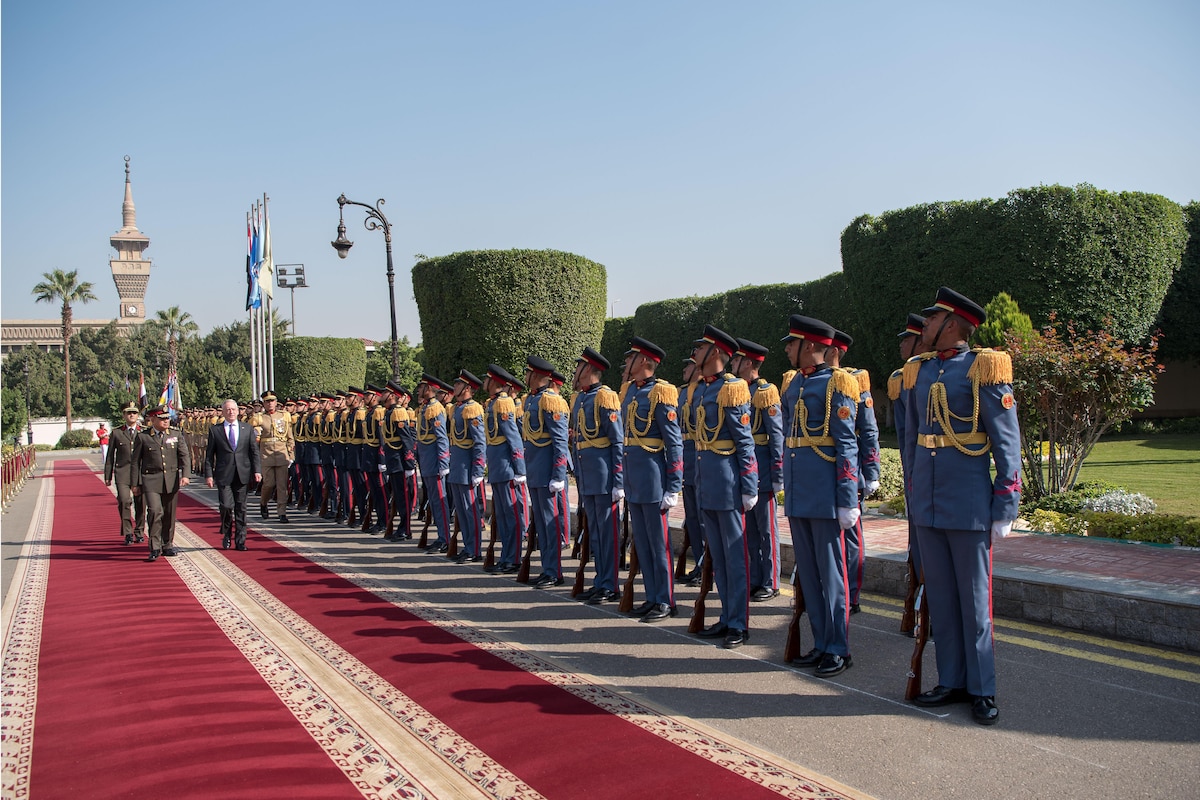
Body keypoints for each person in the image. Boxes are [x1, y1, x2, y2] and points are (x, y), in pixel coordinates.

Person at [903, 287, 1021, 726]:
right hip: (930, 505)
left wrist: (1006, 504)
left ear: (951, 324)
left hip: (970, 504)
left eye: (931, 320)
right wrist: (914, 498)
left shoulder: (983, 369)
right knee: (942, 598)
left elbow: (1007, 442)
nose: (924, 327)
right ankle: (951, 679)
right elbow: (915, 439)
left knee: (974, 601)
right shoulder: (920, 371)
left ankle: (982, 688)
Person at [780, 315, 860, 677]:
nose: (787, 349)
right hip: (800, 495)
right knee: (809, 576)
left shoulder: (837, 384)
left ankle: (838, 647)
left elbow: (846, 444)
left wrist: (847, 498)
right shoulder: (794, 385)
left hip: (827, 496)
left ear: (809, 346)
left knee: (832, 575)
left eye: (792, 343)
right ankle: (820, 642)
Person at [691, 325, 758, 648]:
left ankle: (739, 623)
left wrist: (749, 485)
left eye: (701, 348)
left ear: (715, 352)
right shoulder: (704, 389)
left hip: (730, 485)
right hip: (709, 483)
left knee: (734, 558)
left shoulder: (732, 389)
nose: (695, 354)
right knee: (718, 556)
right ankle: (726, 616)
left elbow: (745, 443)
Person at [620, 337, 683, 622]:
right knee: (642, 544)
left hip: (654, 480)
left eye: (631, 357)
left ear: (645, 361)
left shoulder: (661, 393)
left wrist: (673, 485)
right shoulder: (631, 393)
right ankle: (651, 595)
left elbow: (674, 443)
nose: (627, 362)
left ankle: (666, 599)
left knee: (659, 545)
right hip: (634, 480)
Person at [827, 330, 881, 614]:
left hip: (849, 469)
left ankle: (852, 592)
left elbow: (868, 430)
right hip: (823, 470)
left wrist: (871, 471)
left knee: (850, 535)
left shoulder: (854, 379)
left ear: (834, 350)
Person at [570, 347, 624, 603]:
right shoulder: (581, 398)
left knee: (607, 533)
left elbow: (617, 442)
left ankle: (610, 583)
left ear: (589, 369)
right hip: (588, 477)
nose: (575, 371)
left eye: (579, 366)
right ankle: (600, 579)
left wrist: (618, 481)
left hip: (604, 478)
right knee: (595, 532)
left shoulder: (605, 397)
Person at [734, 338, 785, 603]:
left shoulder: (766, 392)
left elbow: (776, 436)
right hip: (745, 470)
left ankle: (771, 580)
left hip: (763, 468)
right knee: (750, 531)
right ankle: (756, 577)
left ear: (750, 363)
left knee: (766, 530)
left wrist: (777, 474)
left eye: (737, 360)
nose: (733, 364)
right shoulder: (738, 390)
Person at [889, 313, 926, 633]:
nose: (901, 343)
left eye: (907, 338)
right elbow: (905, 437)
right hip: (916, 471)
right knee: (918, 545)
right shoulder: (901, 378)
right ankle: (916, 605)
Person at [521, 356, 570, 587]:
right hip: (534, 471)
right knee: (541, 524)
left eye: (528, 373)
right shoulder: (531, 401)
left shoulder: (551, 401)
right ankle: (547, 568)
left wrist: (559, 476)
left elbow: (560, 442)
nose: (525, 376)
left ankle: (555, 571)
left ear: (537, 375)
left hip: (548, 473)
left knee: (551, 525)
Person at [132, 405, 191, 561]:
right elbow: (135, 462)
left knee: (169, 515)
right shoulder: (143, 437)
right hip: (150, 480)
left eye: (167, 418)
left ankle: (167, 545)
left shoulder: (176, 434)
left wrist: (185, 475)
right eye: (162, 418)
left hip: (171, 480)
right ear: (153, 420)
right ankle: (154, 547)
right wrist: (135, 483)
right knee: (155, 512)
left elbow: (184, 456)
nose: (166, 421)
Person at [483, 365, 526, 573]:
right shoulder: (492, 404)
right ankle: (506, 556)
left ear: (494, 383)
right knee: (502, 516)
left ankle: (514, 558)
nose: (485, 383)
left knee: (511, 515)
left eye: (488, 380)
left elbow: (514, 438)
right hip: (498, 468)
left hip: (508, 468)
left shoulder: (503, 403)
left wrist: (519, 469)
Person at [205, 398, 261, 551]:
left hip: (242, 473)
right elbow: (209, 455)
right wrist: (209, 475)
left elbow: (254, 452)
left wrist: (257, 470)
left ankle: (241, 540)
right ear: (223, 412)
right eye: (227, 409)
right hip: (224, 474)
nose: (231, 412)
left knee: (241, 508)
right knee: (226, 506)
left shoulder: (247, 429)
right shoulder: (215, 430)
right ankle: (227, 533)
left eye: (233, 409)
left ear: (237, 411)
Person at [448, 370, 487, 563]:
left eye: (458, 385)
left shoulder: (473, 409)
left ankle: (475, 549)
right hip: (456, 466)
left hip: (467, 469)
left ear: (467, 389)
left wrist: (478, 470)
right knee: (461, 512)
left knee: (470, 512)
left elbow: (479, 442)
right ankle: (467, 545)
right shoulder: (457, 408)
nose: (454, 387)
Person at [416, 374, 453, 553]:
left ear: (429, 389)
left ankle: (444, 538)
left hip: (435, 462)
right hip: (426, 460)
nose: (418, 390)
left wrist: (443, 463)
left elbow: (441, 438)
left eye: (421, 387)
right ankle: (441, 536)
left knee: (440, 501)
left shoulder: (435, 409)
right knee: (433, 501)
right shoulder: (425, 408)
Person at [103, 402, 146, 545]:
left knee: (141, 503)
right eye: (129, 413)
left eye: (134, 412)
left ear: (138, 415)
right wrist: (108, 476)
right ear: (124, 415)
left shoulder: (144, 431)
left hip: (140, 472)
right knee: (124, 500)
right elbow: (110, 456)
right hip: (123, 472)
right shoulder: (117, 433)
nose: (132, 415)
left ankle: (139, 531)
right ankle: (128, 532)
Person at [254, 390, 294, 523]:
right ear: (263, 404)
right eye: (267, 401)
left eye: (272, 401)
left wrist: (291, 454)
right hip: (266, 455)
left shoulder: (284, 416)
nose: (270, 404)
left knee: (282, 485)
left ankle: (282, 512)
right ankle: (263, 503)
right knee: (268, 484)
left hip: (282, 454)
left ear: (276, 402)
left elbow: (290, 437)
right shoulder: (259, 418)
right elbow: (253, 437)